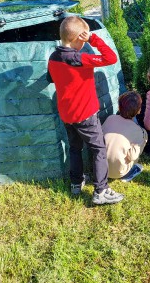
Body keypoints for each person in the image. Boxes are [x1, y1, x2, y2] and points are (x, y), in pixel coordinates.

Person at [47, 15, 124, 205]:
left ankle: (76, 182)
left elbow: (51, 78)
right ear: (79, 38)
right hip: (85, 114)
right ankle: (101, 190)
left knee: (74, 148)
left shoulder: (54, 56)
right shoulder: (79, 59)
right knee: (98, 149)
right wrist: (93, 39)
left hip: (67, 114)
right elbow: (110, 58)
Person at [102, 91, 147, 182]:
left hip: (98, 167)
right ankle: (128, 173)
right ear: (139, 110)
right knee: (144, 136)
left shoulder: (110, 118)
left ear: (119, 107)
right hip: (117, 172)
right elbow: (133, 157)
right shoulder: (139, 131)